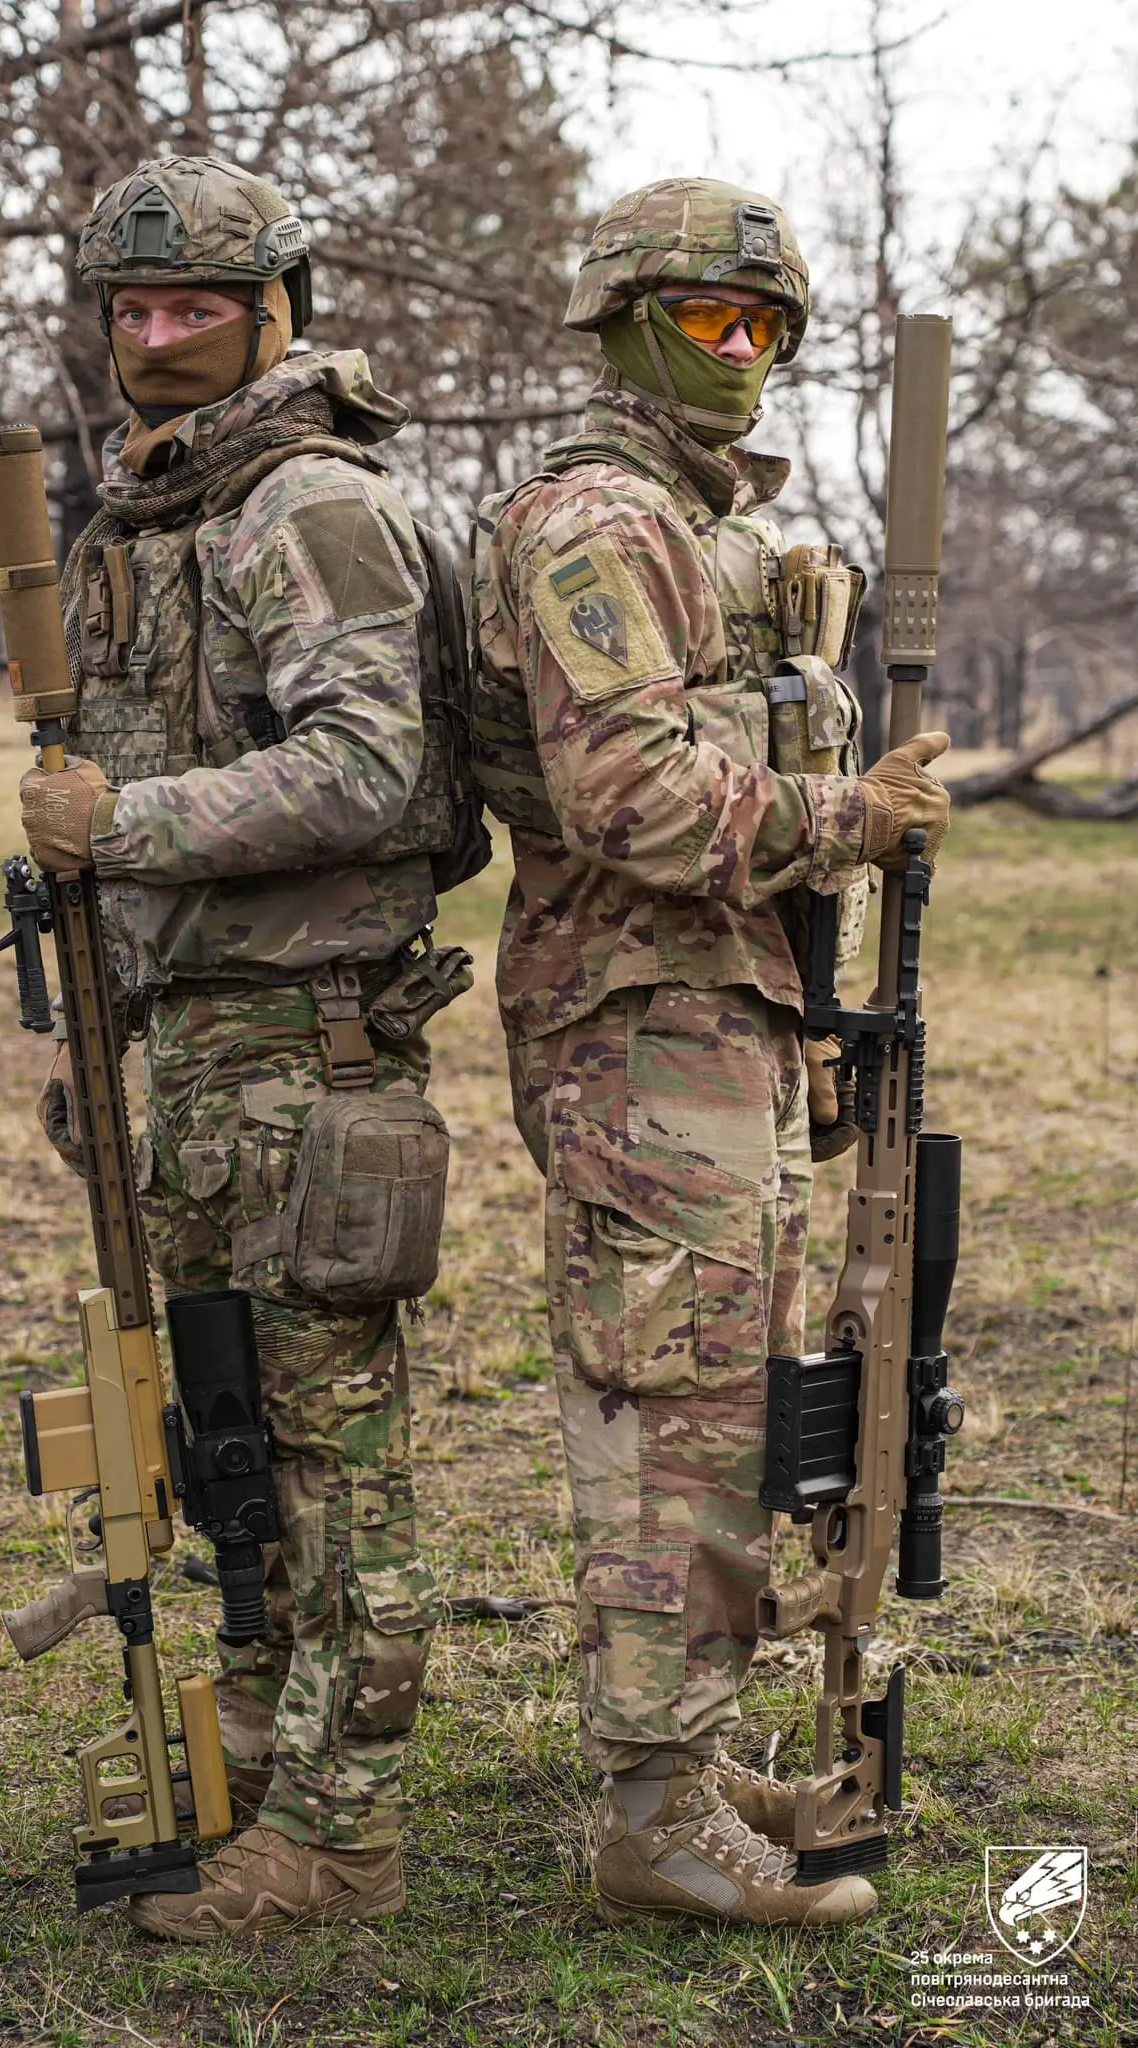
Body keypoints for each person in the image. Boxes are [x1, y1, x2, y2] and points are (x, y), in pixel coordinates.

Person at [470, 178, 951, 1928]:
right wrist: (851, 815)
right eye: (707, 320)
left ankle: (679, 1766)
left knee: (739, 1398)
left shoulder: (709, 529)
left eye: (766, 329)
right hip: (640, 1028)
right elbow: (627, 792)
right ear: (617, 321)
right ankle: (650, 1822)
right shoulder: (600, 524)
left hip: (715, 1014)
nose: (740, 354)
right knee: (680, 1408)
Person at [18, 156, 455, 1942]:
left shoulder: (307, 507)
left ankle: (343, 1841)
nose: (156, 338)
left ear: (281, 311)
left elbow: (371, 772)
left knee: (340, 1465)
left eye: (196, 304)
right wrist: (106, 1026)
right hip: (200, 1058)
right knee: (229, 1436)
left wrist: (117, 823)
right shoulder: (157, 517)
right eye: (131, 310)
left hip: (312, 1053)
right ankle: (260, 1746)